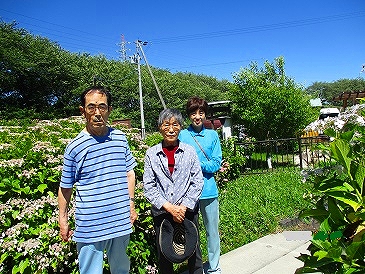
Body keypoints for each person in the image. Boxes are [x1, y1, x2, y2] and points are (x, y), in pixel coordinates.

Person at [58, 86, 138, 274]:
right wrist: (63, 219)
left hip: (120, 220)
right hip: (90, 225)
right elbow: (65, 187)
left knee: (121, 270)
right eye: (91, 107)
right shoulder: (74, 147)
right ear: (82, 111)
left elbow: (130, 173)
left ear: (109, 110)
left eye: (102, 107)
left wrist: (131, 205)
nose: (97, 113)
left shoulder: (120, 138)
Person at [143, 108, 204, 274]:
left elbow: (197, 181)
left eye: (175, 124)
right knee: (164, 254)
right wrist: (169, 207)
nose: (171, 129)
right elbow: (148, 185)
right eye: (166, 125)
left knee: (194, 253)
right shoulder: (151, 153)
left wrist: (183, 207)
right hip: (163, 212)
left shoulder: (189, 151)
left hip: (188, 211)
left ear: (180, 127)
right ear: (160, 127)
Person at [179, 97, 223, 274]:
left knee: (212, 232)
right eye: (193, 113)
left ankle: (214, 268)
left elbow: (216, 164)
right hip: (188, 193)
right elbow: (180, 163)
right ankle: (195, 268)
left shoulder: (212, 135)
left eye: (201, 113)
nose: (197, 117)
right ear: (189, 115)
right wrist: (201, 164)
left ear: (205, 115)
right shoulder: (182, 135)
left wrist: (196, 163)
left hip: (209, 191)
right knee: (191, 233)